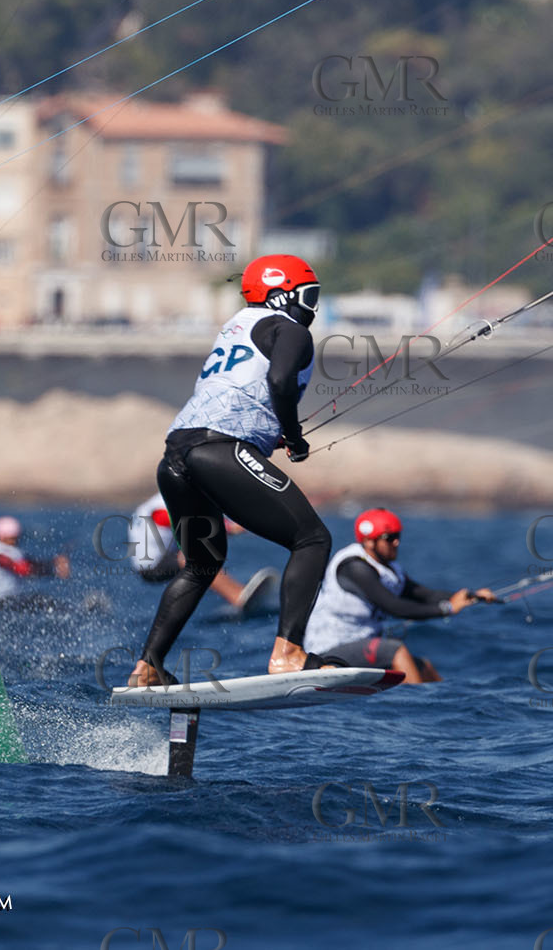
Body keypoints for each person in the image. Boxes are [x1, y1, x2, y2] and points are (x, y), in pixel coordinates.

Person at [127, 254, 334, 688]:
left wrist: (267, 434)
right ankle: (289, 655)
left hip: (176, 456)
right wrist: (294, 436)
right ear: (283, 294)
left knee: (202, 563)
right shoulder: (290, 329)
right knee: (312, 539)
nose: (312, 307)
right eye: (308, 295)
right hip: (218, 450)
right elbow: (280, 382)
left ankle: (148, 667)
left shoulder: (237, 325)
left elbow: (240, 393)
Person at [304, 508, 494, 683]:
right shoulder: (354, 567)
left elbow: (424, 594)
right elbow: (393, 606)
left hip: (362, 645)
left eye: (398, 536)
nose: (397, 542)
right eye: (390, 538)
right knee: (396, 650)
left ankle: (444, 705)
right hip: (329, 650)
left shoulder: (389, 568)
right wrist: (447, 609)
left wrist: (472, 596)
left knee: (424, 667)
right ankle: (419, 705)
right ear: (369, 541)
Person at [128, 492, 278, 610]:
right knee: (193, 555)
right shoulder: (161, 506)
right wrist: (228, 527)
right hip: (151, 568)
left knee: (199, 550)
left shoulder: (159, 500)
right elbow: (177, 521)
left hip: (160, 560)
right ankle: (237, 596)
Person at [0, 516, 70, 605]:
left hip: (15, 597)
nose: (15, 541)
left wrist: (54, 563)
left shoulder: (16, 551)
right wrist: (52, 571)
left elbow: (32, 564)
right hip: (0, 600)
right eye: (11, 538)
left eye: (16, 538)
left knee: (52, 602)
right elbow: (18, 568)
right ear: (2, 536)